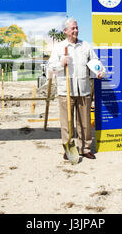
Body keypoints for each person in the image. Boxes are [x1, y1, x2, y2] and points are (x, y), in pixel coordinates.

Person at [47, 17, 104, 160]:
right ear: (65, 31)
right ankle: (68, 149)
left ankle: (85, 148)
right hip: (65, 91)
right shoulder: (59, 47)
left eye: (76, 28)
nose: (76, 30)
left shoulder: (86, 46)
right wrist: (61, 63)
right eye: (73, 28)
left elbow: (94, 62)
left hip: (84, 89)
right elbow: (50, 67)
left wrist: (99, 71)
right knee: (67, 123)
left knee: (85, 122)